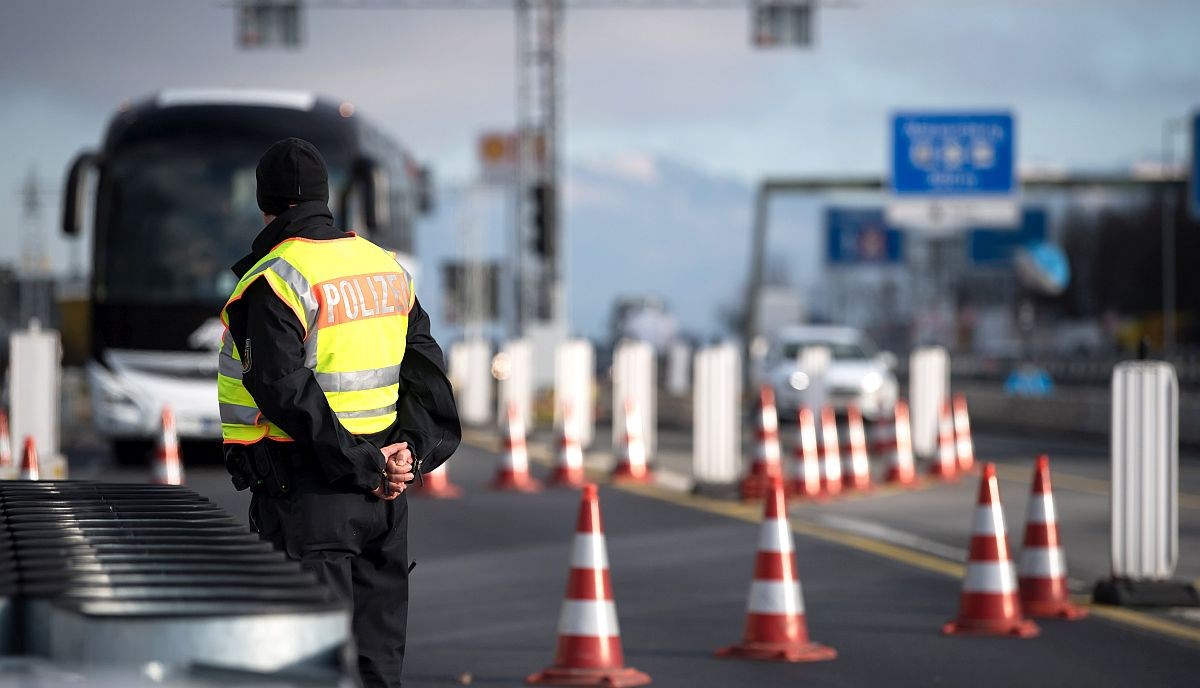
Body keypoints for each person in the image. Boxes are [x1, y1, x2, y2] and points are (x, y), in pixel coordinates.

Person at [217, 137, 459, 687]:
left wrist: (365, 466)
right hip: (387, 501)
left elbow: (285, 392)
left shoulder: (275, 278)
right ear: (326, 198)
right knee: (378, 664)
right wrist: (406, 457)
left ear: (266, 205)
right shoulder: (385, 269)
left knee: (312, 665)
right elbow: (427, 377)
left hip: (310, 496)